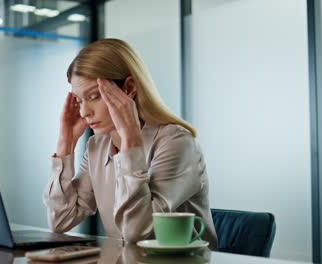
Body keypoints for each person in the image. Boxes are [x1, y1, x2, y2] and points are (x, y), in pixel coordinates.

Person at [43, 38, 218, 249]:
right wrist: (66, 144)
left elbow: (137, 232)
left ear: (128, 87)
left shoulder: (176, 142)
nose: (84, 112)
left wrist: (131, 141)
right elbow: (61, 220)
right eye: (79, 101)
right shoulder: (97, 146)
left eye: (94, 96)